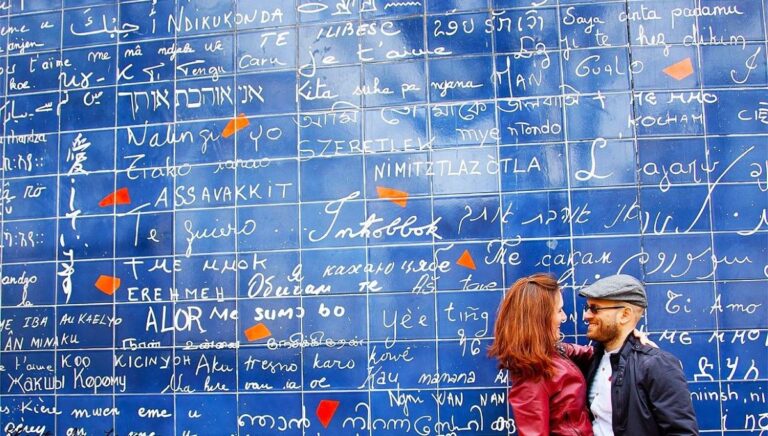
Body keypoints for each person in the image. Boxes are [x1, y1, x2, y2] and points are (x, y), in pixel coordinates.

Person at [580, 274, 699, 436]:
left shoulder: (656, 365)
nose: (586, 316)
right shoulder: (594, 359)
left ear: (625, 315)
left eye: (595, 308)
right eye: (587, 308)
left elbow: (682, 432)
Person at [488, 273, 594, 435]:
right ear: (540, 319)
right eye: (559, 311)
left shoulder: (554, 352)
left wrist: (627, 338)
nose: (564, 317)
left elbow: (593, 353)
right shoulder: (532, 375)